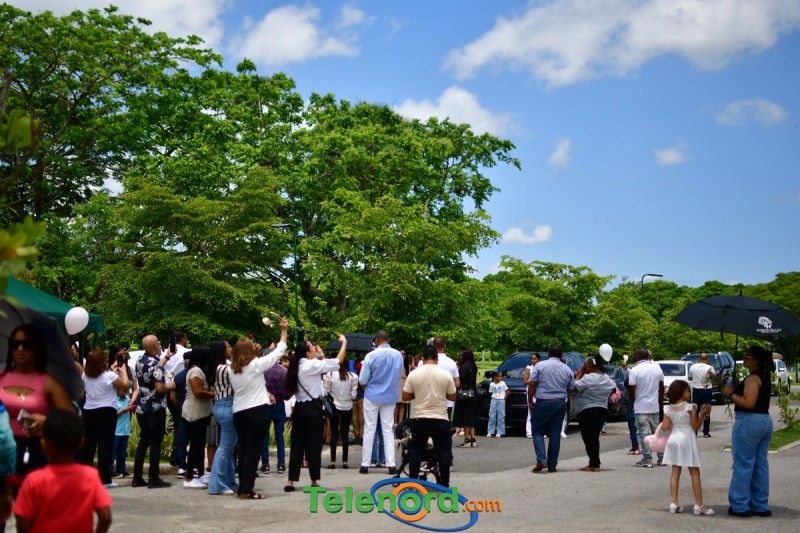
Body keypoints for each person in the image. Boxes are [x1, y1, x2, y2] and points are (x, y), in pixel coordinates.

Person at [13, 409, 112, 533]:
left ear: (44, 444)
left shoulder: (34, 480)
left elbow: (23, 521)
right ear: (80, 443)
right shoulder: (90, 476)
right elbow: (106, 517)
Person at [0, 325, 73, 480]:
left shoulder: (49, 382)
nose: (20, 349)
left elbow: (71, 420)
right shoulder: (1, 378)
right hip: (3, 449)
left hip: (35, 450)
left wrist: (47, 421)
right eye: (15, 344)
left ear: (37, 348)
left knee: (33, 492)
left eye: (26, 344)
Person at [229, 318, 288, 500]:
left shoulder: (232, 369)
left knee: (243, 450)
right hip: (256, 411)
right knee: (252, 452)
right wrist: (283, 330)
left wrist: (252, 352)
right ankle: (247, 490)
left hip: (239, 412)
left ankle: (242, 487)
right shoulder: (255, 366)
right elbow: (278, 352)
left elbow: (247, 360)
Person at [284, 336, 347, 492]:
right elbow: (337, 361)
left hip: (299, 408)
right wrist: (344, 343)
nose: (314, 347)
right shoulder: (311, 365)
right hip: (313, 409)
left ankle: (291, 481)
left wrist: (319, 355)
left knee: (297, 445)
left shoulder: (295, 366)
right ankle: (313, 480)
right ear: (307, 353)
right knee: (314, 445)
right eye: (311, 346)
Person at [722, 345, 774, 518]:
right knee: (760, 464)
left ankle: (740, 505)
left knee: (743, 464)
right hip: (764, 420)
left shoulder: (753, 379)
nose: (744, 358)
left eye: (748, 356)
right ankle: (760, 504)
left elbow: (749, 402)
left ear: (756, 360)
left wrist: (730, 394)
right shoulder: (764, 377)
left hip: (749, 421)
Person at [402, 345, 456, 487]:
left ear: (422, 358)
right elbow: (452, 396)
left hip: (420, 417)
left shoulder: (414, 374)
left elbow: (405, 396)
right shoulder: (445, 375)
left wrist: (417, 395)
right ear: (437, 359)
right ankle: (445, 484)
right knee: (444, 452)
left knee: (416, 452)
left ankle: (413, 483)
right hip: (440, 417)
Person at [660, 379, 714, 515]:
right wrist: (703, 414)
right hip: (687, 439)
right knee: (694, 472)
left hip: (674, 439)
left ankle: (674, 503)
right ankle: (699, 505)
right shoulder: (690, 407)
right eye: (688, 391)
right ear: (682, 392)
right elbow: (695, 426)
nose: (689, 393)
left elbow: (665, 428)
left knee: (675, 471)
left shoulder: (667, 408)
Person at [79, 348, 130, 488]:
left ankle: (85, 476)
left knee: (89, 444)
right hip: (107, 410)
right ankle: (104, 478)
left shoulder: (85, 376)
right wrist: (124, 372)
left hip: (89, 410)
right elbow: (125, 386)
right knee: (105, 444)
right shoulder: (109, 376)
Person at [131, 335, 176, 489]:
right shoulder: (155, 365)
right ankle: (153, 477)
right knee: (156, 442)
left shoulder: (140, 361)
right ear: (154, 346)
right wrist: (171, 385)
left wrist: (167, 357)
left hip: (141, 408)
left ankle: (137, 477)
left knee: (143, 441)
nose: (160, 344)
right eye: (158, 343)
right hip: (155, 409)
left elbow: (153, 369)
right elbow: (160, 387)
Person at [358, 330, 404, 475]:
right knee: (388, 430)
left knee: (369, 429)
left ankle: (365, 464)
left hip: (372, 396)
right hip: (390, 396)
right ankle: (391, 464)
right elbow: (398, 375)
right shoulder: (398, 355)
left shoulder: (371, 356)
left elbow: (362, 379)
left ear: (377, 340)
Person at [528, 345, 576, 473]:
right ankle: (552, 464)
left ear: (548, 354)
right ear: (561, 355)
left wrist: (530, 401)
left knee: (537, 430)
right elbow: (571, 389)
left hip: (543, 401)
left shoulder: (540, 366)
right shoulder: (567, 369)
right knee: (555, 433)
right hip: (560, 402)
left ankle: (541, 459)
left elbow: (532, 384)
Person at [573, 354, 616, 472]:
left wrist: (581, 373)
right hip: (602, 410)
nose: (584, 367)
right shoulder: (606, 378)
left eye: (585, 365)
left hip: (586, 410)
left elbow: (574, 387)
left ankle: (594, 464)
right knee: (594, 437)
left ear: (590, 366)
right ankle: (595, 461)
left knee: (588, 438)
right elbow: (613, 389)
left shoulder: (588, 378)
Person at [206, 340, 237, 496]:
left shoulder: (214, 368)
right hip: (227, 405)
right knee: (225, 447)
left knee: (228, 447)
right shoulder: (225, 369)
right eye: (228, 347)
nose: (231, 349)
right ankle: (217, 484)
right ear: (222, 351)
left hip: (219, 404)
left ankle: (229, 481)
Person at [182, 348, 214, 489]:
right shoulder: (196, 371)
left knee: (200, 445)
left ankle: (200, 474)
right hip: (195, 412)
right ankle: (189, 477)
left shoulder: (199, 370)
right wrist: (213, 394)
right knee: (195, 445)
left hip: (201, 412)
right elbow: (197, 392)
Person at [628, 348, 665, 468]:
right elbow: (661, 388)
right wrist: (660, 403)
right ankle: (662, 457)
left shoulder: (635, 370)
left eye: (635, 355)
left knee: (643, 433)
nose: (633, 357)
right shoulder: (657, 368)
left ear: (639, 356)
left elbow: (631, 390)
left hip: (641, 407)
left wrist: (633, 402)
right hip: (654, 406)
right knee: (657, 433)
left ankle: (647, 458)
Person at [323, 354, 357, 469]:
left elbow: (326, 390)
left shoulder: (330, 374)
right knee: (345, 434)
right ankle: (345, 461)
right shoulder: (353, 376)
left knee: (334, 433)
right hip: (347, 406)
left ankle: (333, 461)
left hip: (334, 405)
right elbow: (354, 395)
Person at [417, 337, 460, 421]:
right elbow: (457, 383)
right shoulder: (451, 363)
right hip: (445, 403)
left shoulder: (422, 362)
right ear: (445, 346)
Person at [261, 354, 291, 475]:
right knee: (280, 435)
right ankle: (281, 464)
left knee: (264, 435)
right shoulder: (283, 372)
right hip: (279, 405)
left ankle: (265, 465)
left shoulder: (263, 372)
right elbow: (288, 393)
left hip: (265, 405)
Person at [453, 350, 478, 447]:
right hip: (472, 394)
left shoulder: (464, 366)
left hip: (465, 394)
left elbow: (461, 379)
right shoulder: (473, 366)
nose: (460, 357)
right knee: (471, 416)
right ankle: (473, 438)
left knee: (465, 417)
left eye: (461, 356)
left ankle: (466, 439)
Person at [689, 353, 715, 438]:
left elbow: (690, 378)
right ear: (707, 359)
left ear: (699, 359)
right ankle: (706, 432)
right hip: (707, 390)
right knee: (706, 410)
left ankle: (694, 431)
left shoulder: (692, 367)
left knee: (695, 411)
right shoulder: (710, 368)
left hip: (696, 390)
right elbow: (714, 380)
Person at [620, 356, 640, 455]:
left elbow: (624, 406)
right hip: (640, 412)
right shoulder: (639, 392)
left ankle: (635, 447)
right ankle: (644, 448)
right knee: (642, 431)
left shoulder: (625, 394)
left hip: (631, 415)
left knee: (633, 431)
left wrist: (625, 414)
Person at [522, 353, 540, 439]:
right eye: (532, 359)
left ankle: (540, 431)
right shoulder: (529, 368)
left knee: (540, 411)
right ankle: (529, 432)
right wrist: (533, 382)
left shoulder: (541, 367)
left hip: (540, 391)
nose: (532, 360)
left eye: (534, 359)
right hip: (531, 391)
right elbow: (525, 381)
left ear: (538, 359)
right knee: (530, 410)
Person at [487, 371, 509, 437]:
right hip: (494, 400)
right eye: (499, 376)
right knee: (492, 416)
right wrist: (494, 396)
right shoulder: (492, 384)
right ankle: (490, 431)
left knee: (501, 416)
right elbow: (491, 392)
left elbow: (506, 391)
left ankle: (500, 432)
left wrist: (504, 399)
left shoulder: (503, 383)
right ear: (495, 377)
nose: (500, 377)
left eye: (501, 376)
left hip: (501, 400)